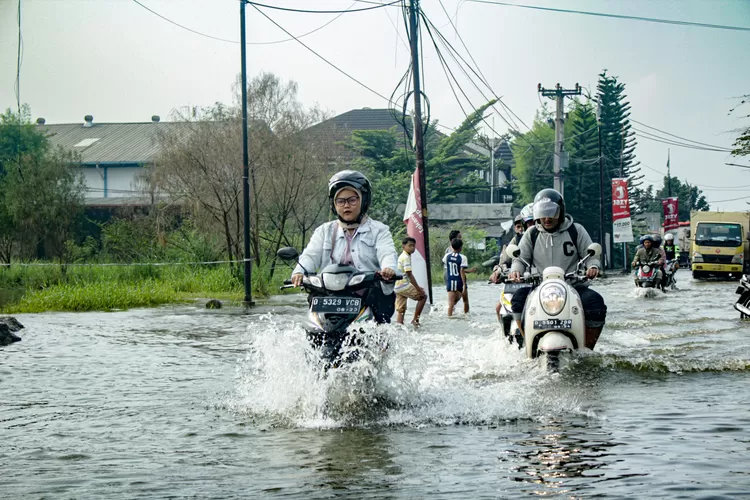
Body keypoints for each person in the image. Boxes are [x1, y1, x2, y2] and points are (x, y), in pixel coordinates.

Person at [291, 170, 398, 323]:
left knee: (381, 317)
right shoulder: (324, 231)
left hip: (366, 294)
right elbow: (310, 255)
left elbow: (387, 252)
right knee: (313, 326)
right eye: (340, 201)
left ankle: (381, 345)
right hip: (330, 295)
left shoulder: (379, 230)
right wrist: (299, 272)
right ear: (334, 204)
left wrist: (389, 269)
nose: (346, 205)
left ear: (363, 200)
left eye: (352, 200)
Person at [508, 188, 607, 349]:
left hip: (573, 286)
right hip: (540, 287)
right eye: (543, 213)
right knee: (518, 300)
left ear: (560, 212)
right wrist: (515, 270)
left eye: (552, 212)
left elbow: (591, 254)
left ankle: (587, 349)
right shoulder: (531, 234)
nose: (547, 218)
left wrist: (593, 267)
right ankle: (528, 343)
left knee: (595, 303)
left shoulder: (576, 230)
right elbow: (520, 258)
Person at [395, 237, 427, 326]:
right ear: (403, 246)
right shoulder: (405, 257)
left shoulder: (402, 256)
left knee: (401, 309)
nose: (412, 248)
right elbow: (409, 275)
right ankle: (415, 320)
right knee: (423, 297)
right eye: (410, 245)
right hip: (403, 285)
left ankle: (399, 325)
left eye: (413, 246)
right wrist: (418, 289)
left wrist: (416, 287)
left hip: (397, 286)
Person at [444, 229, 476, 310]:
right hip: (452, 276)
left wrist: (467, 271)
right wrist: (467, 272)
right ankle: (451, 311)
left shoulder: (451, 253)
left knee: (455, 299)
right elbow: (456, 268)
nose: (461, 239)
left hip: (453, 275)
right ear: (453, 240)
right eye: (459, 237)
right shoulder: (451, 252)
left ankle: (450, 312)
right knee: (459, 298)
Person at [443, 237, 469, 317]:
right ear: (461, 247)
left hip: (450, 281)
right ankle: (466, 316)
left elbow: (446, 266)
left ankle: (449, 317)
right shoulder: (463, 257)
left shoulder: (447, 256)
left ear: (451, 246)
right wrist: (464, 284)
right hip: (459, 281)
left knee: (450, 304)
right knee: (465, 301)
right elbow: (461, 271)